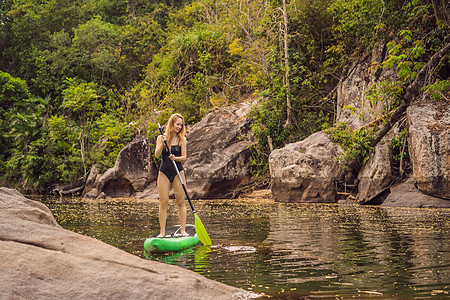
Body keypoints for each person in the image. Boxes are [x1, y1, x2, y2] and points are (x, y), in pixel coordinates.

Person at [154, 113, 188, 237]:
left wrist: (175, 158)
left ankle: (183, 231)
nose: (179, 127)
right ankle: (162, 232)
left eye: (181, 125)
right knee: (163, 202)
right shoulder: (161, 138)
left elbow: (184, 158)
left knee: (181, 202)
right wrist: (162, 143)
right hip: (164, 172)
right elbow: (157, 155)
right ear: (172, 123)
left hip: (178, 171)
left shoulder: (182, 140)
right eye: (177, 124)